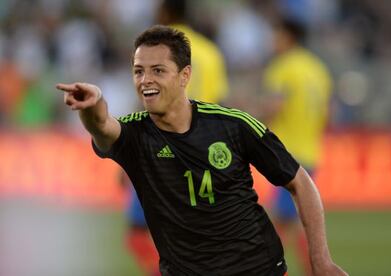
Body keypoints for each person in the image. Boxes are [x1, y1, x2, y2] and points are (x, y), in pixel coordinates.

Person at [56, 25, 347, 276]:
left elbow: (299, 181)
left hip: (257, 268)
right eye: (138, 71)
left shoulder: (233, 125)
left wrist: (320, 261)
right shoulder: (135, 133)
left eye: (158, 70)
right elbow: (103, 127)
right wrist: (92, 106)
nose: (146, 80)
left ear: (185, 76)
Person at [121, 1, 230, 274]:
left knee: (137, 233)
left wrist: (128, 155)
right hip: (201, 151)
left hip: (160, 147)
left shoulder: (154, 53)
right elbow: (219, 105)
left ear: (165, 15)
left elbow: (146, 101)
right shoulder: (210, 52)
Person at [260, 17, 333, 275]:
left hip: (286, 154)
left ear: (288, 36)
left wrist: (247, 122)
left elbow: (274, 106)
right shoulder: (318, 69)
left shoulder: (283, 67)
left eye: (276, 34)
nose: (272, 40)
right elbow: (327, 114)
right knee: (293, 221)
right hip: (310, 152)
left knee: (278, 224)